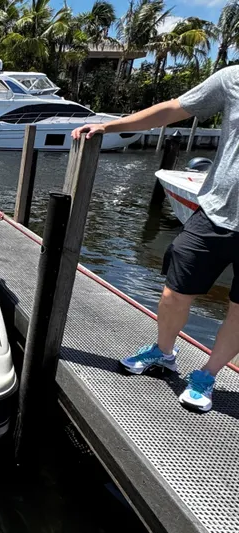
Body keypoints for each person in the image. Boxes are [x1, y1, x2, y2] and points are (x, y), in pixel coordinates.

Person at [72, 66, 239, 413]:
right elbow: (173, 108)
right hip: (216, 211)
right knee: (173, 293)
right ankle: (164, 352)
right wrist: (110, 126)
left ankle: (207, 375)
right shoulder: (233, 78)